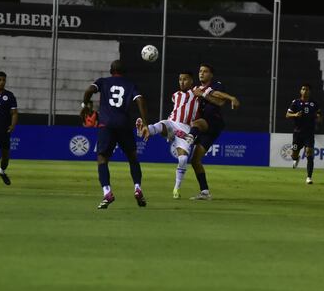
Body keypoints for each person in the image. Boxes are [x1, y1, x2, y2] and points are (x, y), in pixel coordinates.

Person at [83, 59, 149, 209]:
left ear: (110, 70)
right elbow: (140, 100)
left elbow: (88, 91)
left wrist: (85, 104)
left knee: (102, 159)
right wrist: (145, 122)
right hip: (124, 124)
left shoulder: (103, 81)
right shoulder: (130, 84)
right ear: (124, 72)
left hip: (106, 125)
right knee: (132, 158)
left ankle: (107, 192)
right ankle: (137, 188)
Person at [140, 71, 201, 199]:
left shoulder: (196, 92)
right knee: (161, 125)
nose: (182, 82)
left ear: (191, 81)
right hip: (172, 123)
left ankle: (176, 189)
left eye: (185, 79)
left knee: (183, 159)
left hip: (185, 129)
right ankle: (145, 129)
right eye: (180, 79)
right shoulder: (175, 95)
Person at [184, 63, 240, 200]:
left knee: (197, 123)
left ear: (211, 74)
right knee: (195, 160)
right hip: (204, 128)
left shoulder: (216, 85)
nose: (201, 73)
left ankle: (190, 137)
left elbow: (220, 102)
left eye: (205, 71)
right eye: (200, 71)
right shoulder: (196, 88)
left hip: (213, 122)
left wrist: (204, 95)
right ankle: (205, 192)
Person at [285, 83, 322, 185]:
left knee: (309, 152)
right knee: (294, 155)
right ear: (300, 91)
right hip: (298, 133)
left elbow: (319, 117)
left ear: (310, 92)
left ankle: (309, 177)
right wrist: (295, 114)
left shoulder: (314, 104)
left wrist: (318, 118)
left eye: (307, 89)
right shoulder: (295, 102)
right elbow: (287, 115)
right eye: (303, 89)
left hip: (309, 133)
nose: (305, 91)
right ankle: (296, 159)